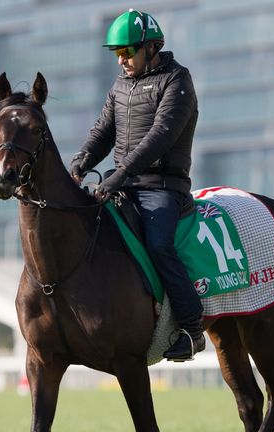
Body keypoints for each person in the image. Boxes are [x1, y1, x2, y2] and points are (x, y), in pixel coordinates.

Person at [70, 9, 204, 361]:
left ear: (151, 47)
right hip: (123, 186)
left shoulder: (178, 80)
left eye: (127, 52)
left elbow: (160, 137)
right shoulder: (119, 86)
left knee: (159, 245)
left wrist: (118, 175)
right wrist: (80, 163)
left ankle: (192, 329)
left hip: (163, 188)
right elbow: (102, 131)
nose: (121, 61)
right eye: (117, 54)